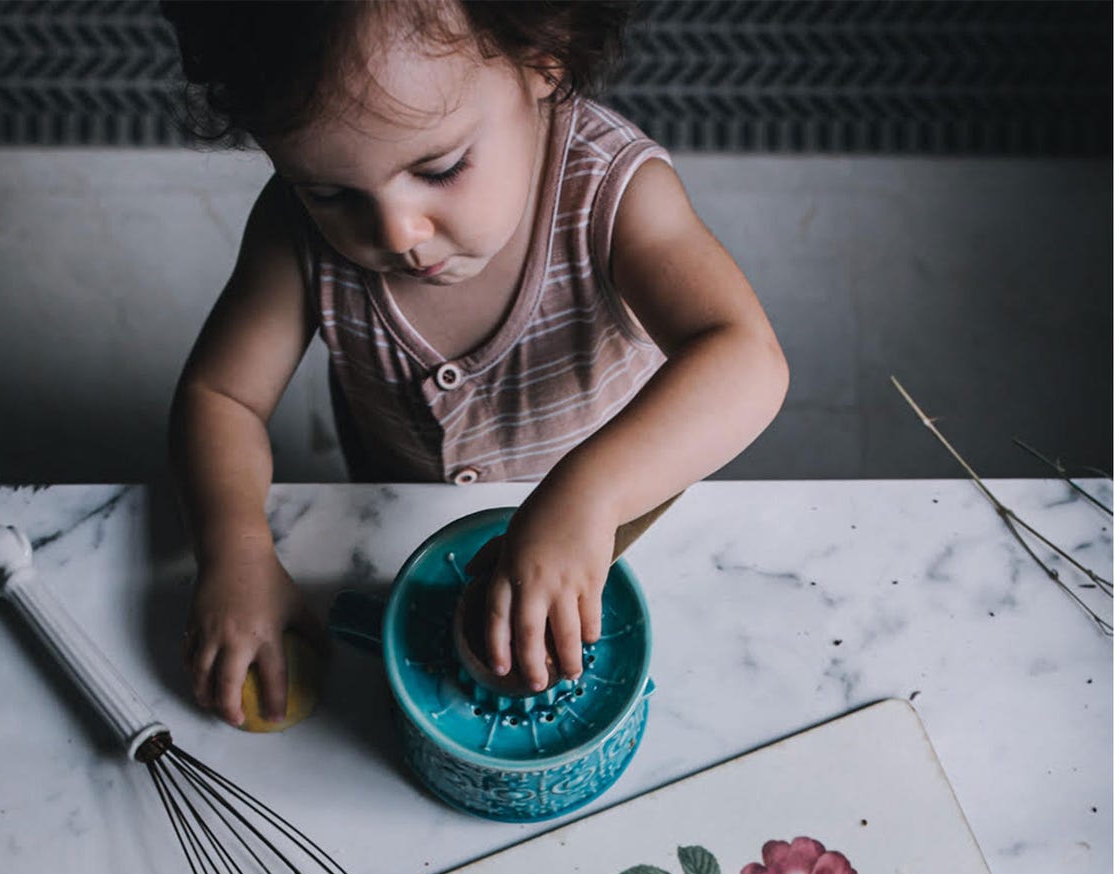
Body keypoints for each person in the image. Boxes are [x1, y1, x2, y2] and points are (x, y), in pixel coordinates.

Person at [161, 0, 788, 725]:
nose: (397, 233)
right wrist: (234, 547)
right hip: (405, 516)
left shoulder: (611, 193)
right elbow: (221, 396)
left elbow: (748, 358)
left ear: (541, 61)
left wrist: (586, 498)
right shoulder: (296, 233)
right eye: (330, 192)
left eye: (441, 167)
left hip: (625, 515)